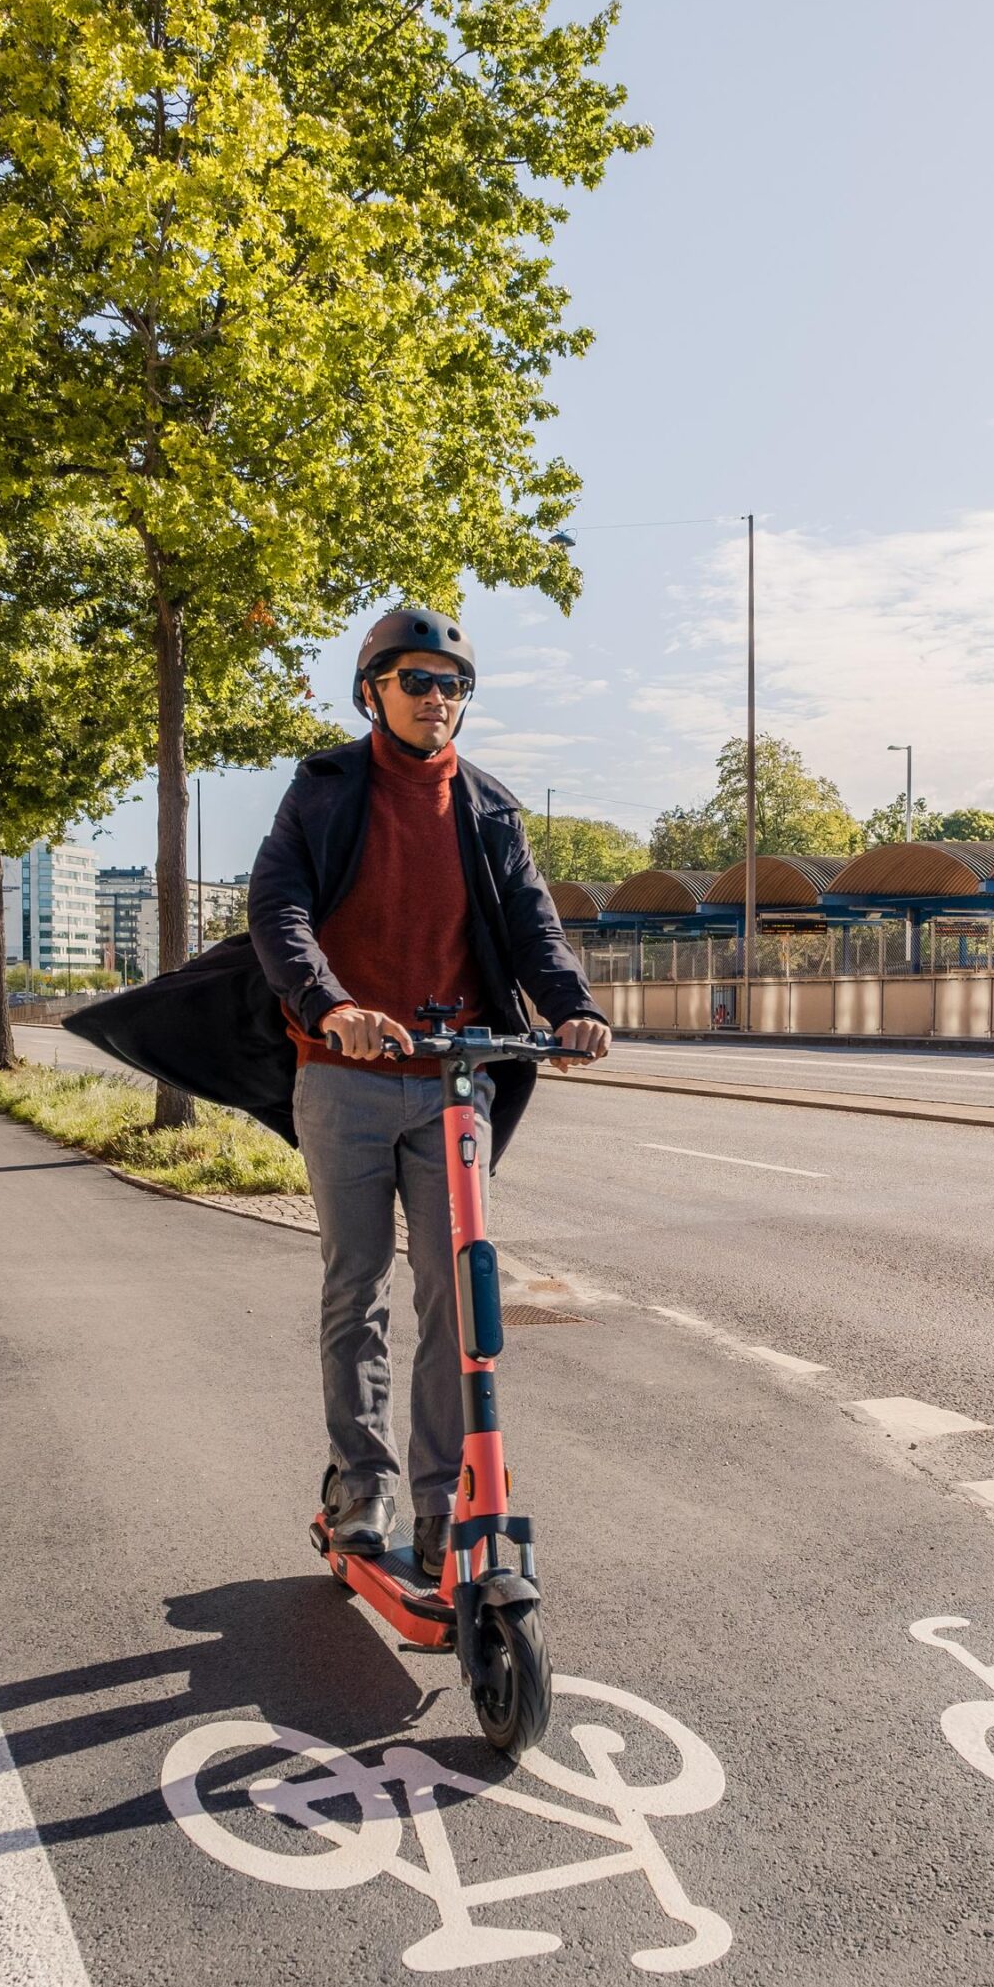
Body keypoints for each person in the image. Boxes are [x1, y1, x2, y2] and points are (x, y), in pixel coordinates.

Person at [246, 606, 612, 1580]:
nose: (438, 698)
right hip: (345, 1082)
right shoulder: (326, 789)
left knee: (456, 1292)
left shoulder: (488, 809)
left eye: (454, 685)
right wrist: (331, 1007)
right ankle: (359, 1484)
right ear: (373, 692)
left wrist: (573, 1009)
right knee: (355, 1287)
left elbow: (536, 932)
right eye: (417, 680)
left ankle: (443, 1497)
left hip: (455, 1085)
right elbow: (278, 908)